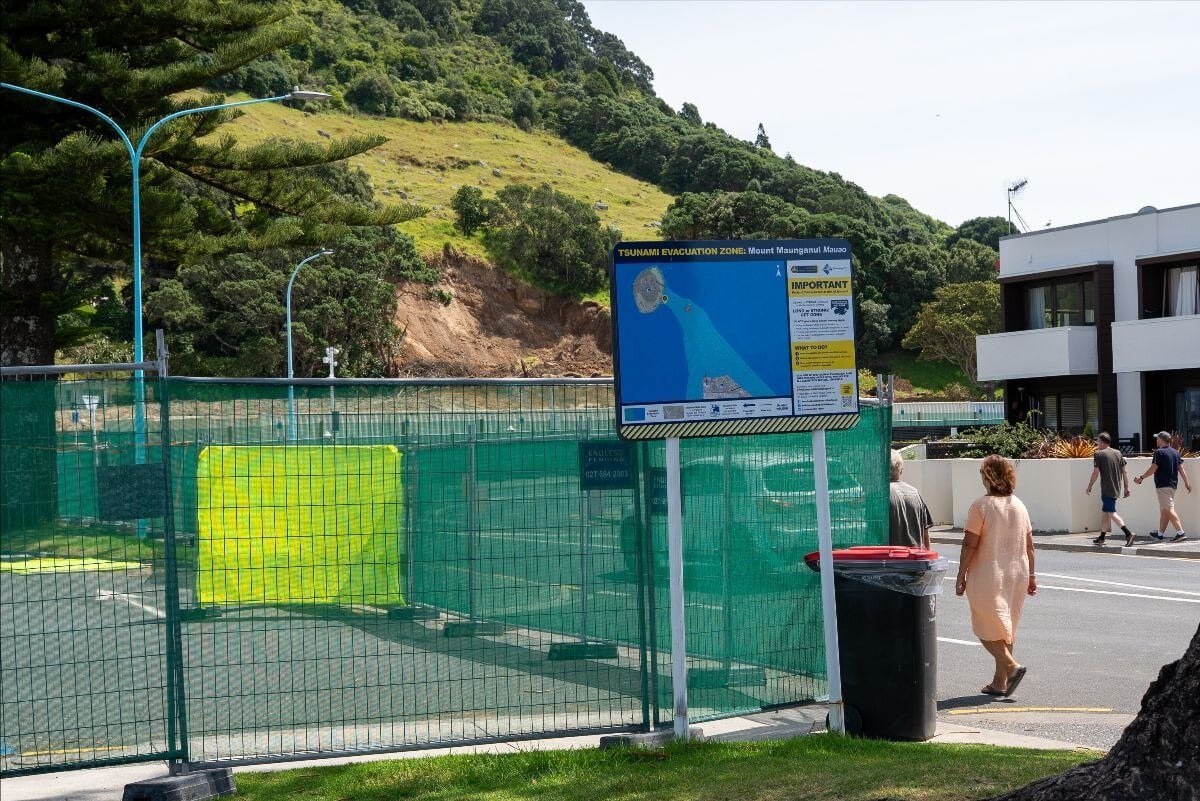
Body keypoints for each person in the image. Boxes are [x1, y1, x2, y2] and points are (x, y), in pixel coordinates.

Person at [955, 455, 1036, 698]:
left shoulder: (981, 505)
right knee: (1006, 626)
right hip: (1017, 573)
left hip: (989, 573)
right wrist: (1032, 575)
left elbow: (970, 544)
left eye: (982, 472)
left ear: (989, 476)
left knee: (984, 626)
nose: (980, 476)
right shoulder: (1019, 504)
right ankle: (1000, 682)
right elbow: (1030, 546)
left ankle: (1011, 667)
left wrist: (960, 574)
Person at [1133, 431, 1192, 543]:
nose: (1156, 440)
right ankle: (1160, 535)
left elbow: (1153, 468)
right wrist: (1187, 483)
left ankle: (1181, 533)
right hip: (1172, 486)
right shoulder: (1175, 453)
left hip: (1163, 486)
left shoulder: (1159, 452)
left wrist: (1141, 478)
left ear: (1161, 440)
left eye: (1157, 438)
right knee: (1165, 510)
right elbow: (1181, 469)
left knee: (1168, 509)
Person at [1086, 432, 1135, 547]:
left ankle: (1128, 534)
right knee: (1105, 513)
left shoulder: (1098, 454)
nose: (1097, 443)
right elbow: (1125, 471)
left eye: (1098, 441)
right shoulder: (1118, 453)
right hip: (1116, 488)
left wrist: (1089, 486)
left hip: (1107, 489)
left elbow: (1095, 472)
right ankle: (1101, 538)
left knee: (1111, 513)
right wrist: (1126, 488)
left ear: (1102, 442)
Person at [889, 449, 932, 549]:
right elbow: (926, 535)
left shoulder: (880, 495)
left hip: (889, 560)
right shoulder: (915, 493)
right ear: (901, 469)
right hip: (915, 560)